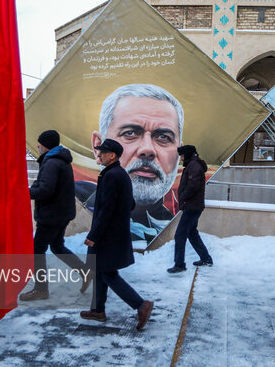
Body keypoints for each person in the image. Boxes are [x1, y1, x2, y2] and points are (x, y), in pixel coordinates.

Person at [89, 84, 183, 239]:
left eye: (163, 137)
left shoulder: (171, 222)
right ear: (97, 146)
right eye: (130, 133)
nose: (147, 150)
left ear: (179, 151)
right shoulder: (79, 197)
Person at [81, 139, 153, 330]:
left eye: (102, 152)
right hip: (113, 233)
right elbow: (129, 205)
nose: (99, 155)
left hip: (107, 235)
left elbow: (106, 209)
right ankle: (97, 309)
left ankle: (141, 305)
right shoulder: (118, 174)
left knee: (108, 273)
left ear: (112, 155)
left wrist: (95, 234)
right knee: (100, 270)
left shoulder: (112, 176)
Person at [20, 130, 89, 301]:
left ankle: (41, 289)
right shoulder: (59, 160)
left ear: (46, 145)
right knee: (57, 246)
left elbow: (45, 190)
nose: (38, 145)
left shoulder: (52, 163)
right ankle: (86, 272)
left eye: (40, 143)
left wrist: (23, 192)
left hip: (52, 215)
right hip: (61, 213)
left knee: (37, 250)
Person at [167, 145, 213, 273]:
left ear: (187, 154)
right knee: (192, 233)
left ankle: (179, 264)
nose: (181, 159)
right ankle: (206, 258)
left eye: (182, 156)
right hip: (193, 206)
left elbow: (193, 185)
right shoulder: (193, 165)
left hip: (192, 206)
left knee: (180, 235)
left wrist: (183, 197)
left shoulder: (194, 166)